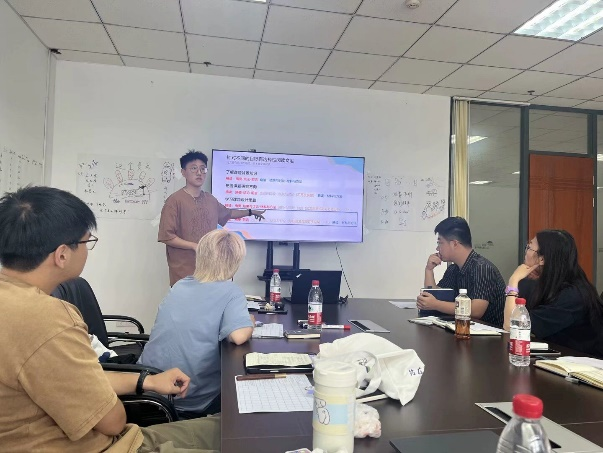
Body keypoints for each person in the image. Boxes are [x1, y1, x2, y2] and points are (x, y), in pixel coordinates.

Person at [0, 186, 220, 452]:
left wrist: (145, 381)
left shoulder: (12, 300)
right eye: (87, 242)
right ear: (62, 254)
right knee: (243, 434)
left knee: (226, 427)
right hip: (107, 447)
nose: (88, 250)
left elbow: (76, 381)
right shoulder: (47, 320)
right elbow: (113, 422)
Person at [139, 229, 254, 420]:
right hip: (189, 398)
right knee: (243, 392)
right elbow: (239, 336)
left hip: (146, 385)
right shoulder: (231, 291)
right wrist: (250, 321)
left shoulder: (181, 284)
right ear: (236, 262)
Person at [159, 150, 265, 286]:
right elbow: (167, 236)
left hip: (209, 266)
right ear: (183, 172)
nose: (199, 173)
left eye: (203, 169)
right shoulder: (174, 201)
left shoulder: (210, 199)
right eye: (193, 168)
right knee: (187, 298)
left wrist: (251, 212)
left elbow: (228, 213)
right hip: (184, 269)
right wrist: (194, 246)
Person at [504, 230, 603, 357]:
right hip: (555, 356)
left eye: (529, 248)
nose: (526, 252)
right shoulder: (542, 283)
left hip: (583, 363)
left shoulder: (573, 295)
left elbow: (511, 326)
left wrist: (513, 281)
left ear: (542, 259)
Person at [418, 216, 506, 327]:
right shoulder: (454, 269)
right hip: (464, 328)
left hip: (489, 333)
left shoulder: (482, 268)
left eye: (440, 243)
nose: (437, 248)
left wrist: (436, 304)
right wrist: (429, 270)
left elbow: (476, 311)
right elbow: (434, 297)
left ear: (454, 244)